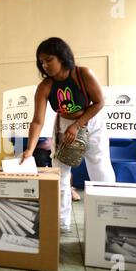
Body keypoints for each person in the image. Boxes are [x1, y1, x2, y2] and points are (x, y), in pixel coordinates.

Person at [22, 37, 115, 233]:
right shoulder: (45, 87)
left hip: (91, 121)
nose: (45, 65)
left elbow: (99, 102)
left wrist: (78, 125)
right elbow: (37, 121)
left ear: (62, 57)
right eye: (41, 62)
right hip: (63, 124)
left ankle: (107, 220)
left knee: (100, 168)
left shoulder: (83, 74)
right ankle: (61, 223)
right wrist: (29, 150)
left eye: (49, 59)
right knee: (60, 173)